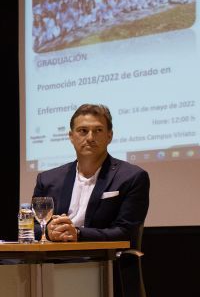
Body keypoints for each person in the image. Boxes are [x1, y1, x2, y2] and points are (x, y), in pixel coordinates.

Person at [34, 103, 149, 247]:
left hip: (102, 260)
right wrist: (48, 232)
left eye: (98, 130)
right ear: (71, 136)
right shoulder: (47, 179)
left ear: (109, 136)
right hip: (52, 259)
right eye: (83, 130)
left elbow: (126, 232)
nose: (90, 137)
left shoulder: (132, 177)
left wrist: (78, 234)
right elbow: (30, 227)